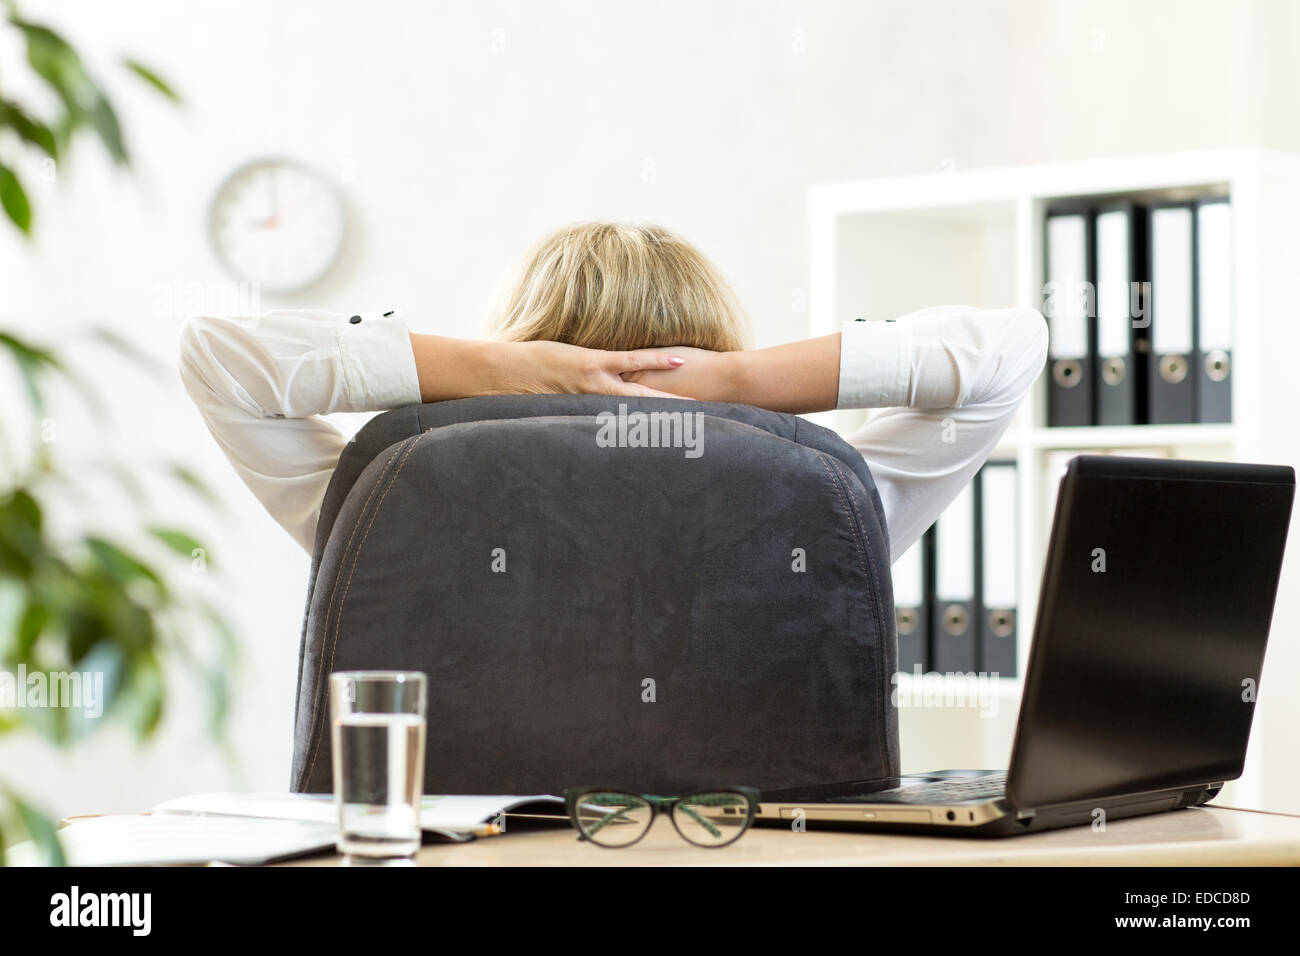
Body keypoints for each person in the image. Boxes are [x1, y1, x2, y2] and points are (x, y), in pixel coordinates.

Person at [179, 221, 1047, 561]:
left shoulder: (391, 500)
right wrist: (740, 384)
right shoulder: (822, 505)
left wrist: (503, 372)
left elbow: (218, 356)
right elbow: (1010, 349)